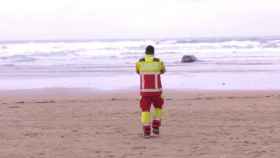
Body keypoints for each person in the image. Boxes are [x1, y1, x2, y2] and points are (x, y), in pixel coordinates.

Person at [135, 45, 166, 138]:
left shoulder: (139, 62)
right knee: (158, 108)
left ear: (145, 53)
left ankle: (146, 131)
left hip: (145, 92)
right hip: (157, 91)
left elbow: (137, 71)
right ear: (153, 53)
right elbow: (163, 71)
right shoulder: (159, 62)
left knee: (145, 110)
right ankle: (156, 126)